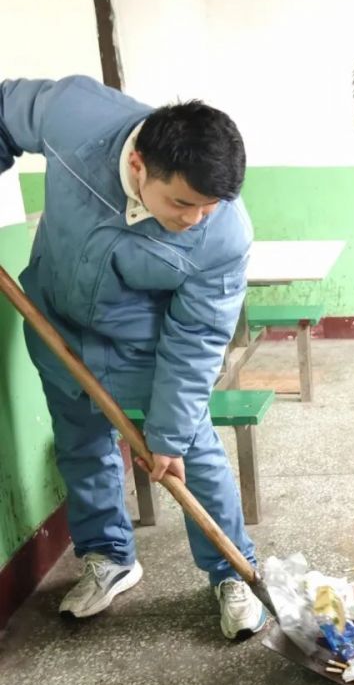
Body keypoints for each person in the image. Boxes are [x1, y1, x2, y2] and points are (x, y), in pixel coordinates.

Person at [0, 76, 266, 641]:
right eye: (182, 203)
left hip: (142, 348)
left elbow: (198, 337)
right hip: (55, 325)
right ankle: (108, 556)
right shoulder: (75, 115)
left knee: (192, 452)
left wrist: (167, 435)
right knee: (80, 445)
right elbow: (4, 111)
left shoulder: (224, 235)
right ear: (139, 164)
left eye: (210, 206)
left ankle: (233, 570)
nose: (195, 220)